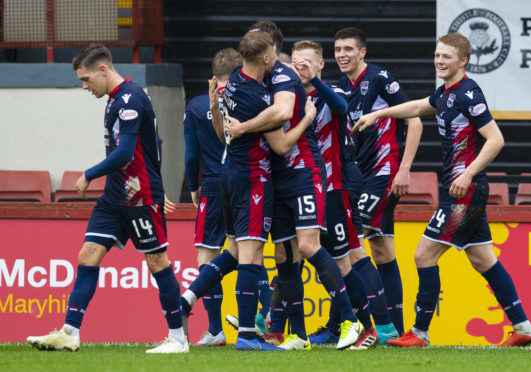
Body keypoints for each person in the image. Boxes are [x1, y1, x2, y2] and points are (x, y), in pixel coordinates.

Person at [353, 32, 531, 347]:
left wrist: (467, 174)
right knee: (483, 260)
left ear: (463, 61)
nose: (439, 61)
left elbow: (496, 139)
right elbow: (415, 107)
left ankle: (420, 334)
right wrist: (379, 113)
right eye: (437, 55)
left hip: (465, 191)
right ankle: (524, 327)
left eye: (447, 57)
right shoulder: (445, 93)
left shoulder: (468, 94)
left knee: (424, 255)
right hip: (462, 190)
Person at [26, 44, 188, 353]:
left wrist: (89, 174)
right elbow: (155, 141)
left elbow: (126, 153)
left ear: (103, 70)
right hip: (115, 196)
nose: (85, 87)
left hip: (140, 197)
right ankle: (69, 332)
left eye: (86, 80)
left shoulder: (131, 98)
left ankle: (178, 338)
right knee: (87, 254)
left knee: (157, 261)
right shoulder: (115, 99)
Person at [225, 22, 363, 351]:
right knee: (286, 256)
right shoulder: (251, 79)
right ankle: (297, 335)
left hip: (304, 172)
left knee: (309, 246)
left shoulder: (284, 77)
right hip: (276, 177)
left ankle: (351, 320)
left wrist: (242, 127)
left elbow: (285, 115)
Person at [209, 31, 317, 351]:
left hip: (232, 175)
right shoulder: (258, 96)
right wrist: (307, 118)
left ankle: (195, 303)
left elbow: (222, 132)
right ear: (268, 58)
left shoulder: (233, 85)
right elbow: (282, 136)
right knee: (251, 255)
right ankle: (246, 335)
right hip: (254, 178)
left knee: (243, 253)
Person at [333, 27, 423, 336]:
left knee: (349, 241)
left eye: (348, 49)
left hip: (385, 172)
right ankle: (396, 330)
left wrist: (404, 169)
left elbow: (415, 121)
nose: (342, 54)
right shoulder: (340, 87)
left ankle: (344, 325)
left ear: (362, 52)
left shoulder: (381, 78)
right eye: (338, 50)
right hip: (360, 175)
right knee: (382, 250)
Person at [291, 40, 381, 350]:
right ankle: (313, 328)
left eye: (305, 62)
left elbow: (342, 109)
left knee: (344, 261)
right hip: (300, 189)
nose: (299, 67)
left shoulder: (333, 94)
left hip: (331, 189)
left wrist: (313, 81)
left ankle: (367, 327)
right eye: (294, 62)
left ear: (319, 65)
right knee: (306, 257)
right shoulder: (286, 97)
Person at [182, 48, 243, 346]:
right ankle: (260, 321)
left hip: (213, 186)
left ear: (213, 76)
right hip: (246, 183)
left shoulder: (195, 106)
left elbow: (191, 154)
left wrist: (193, 185)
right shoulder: (249, 98)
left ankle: (216, 329)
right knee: (248, 252)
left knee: (207, 255)